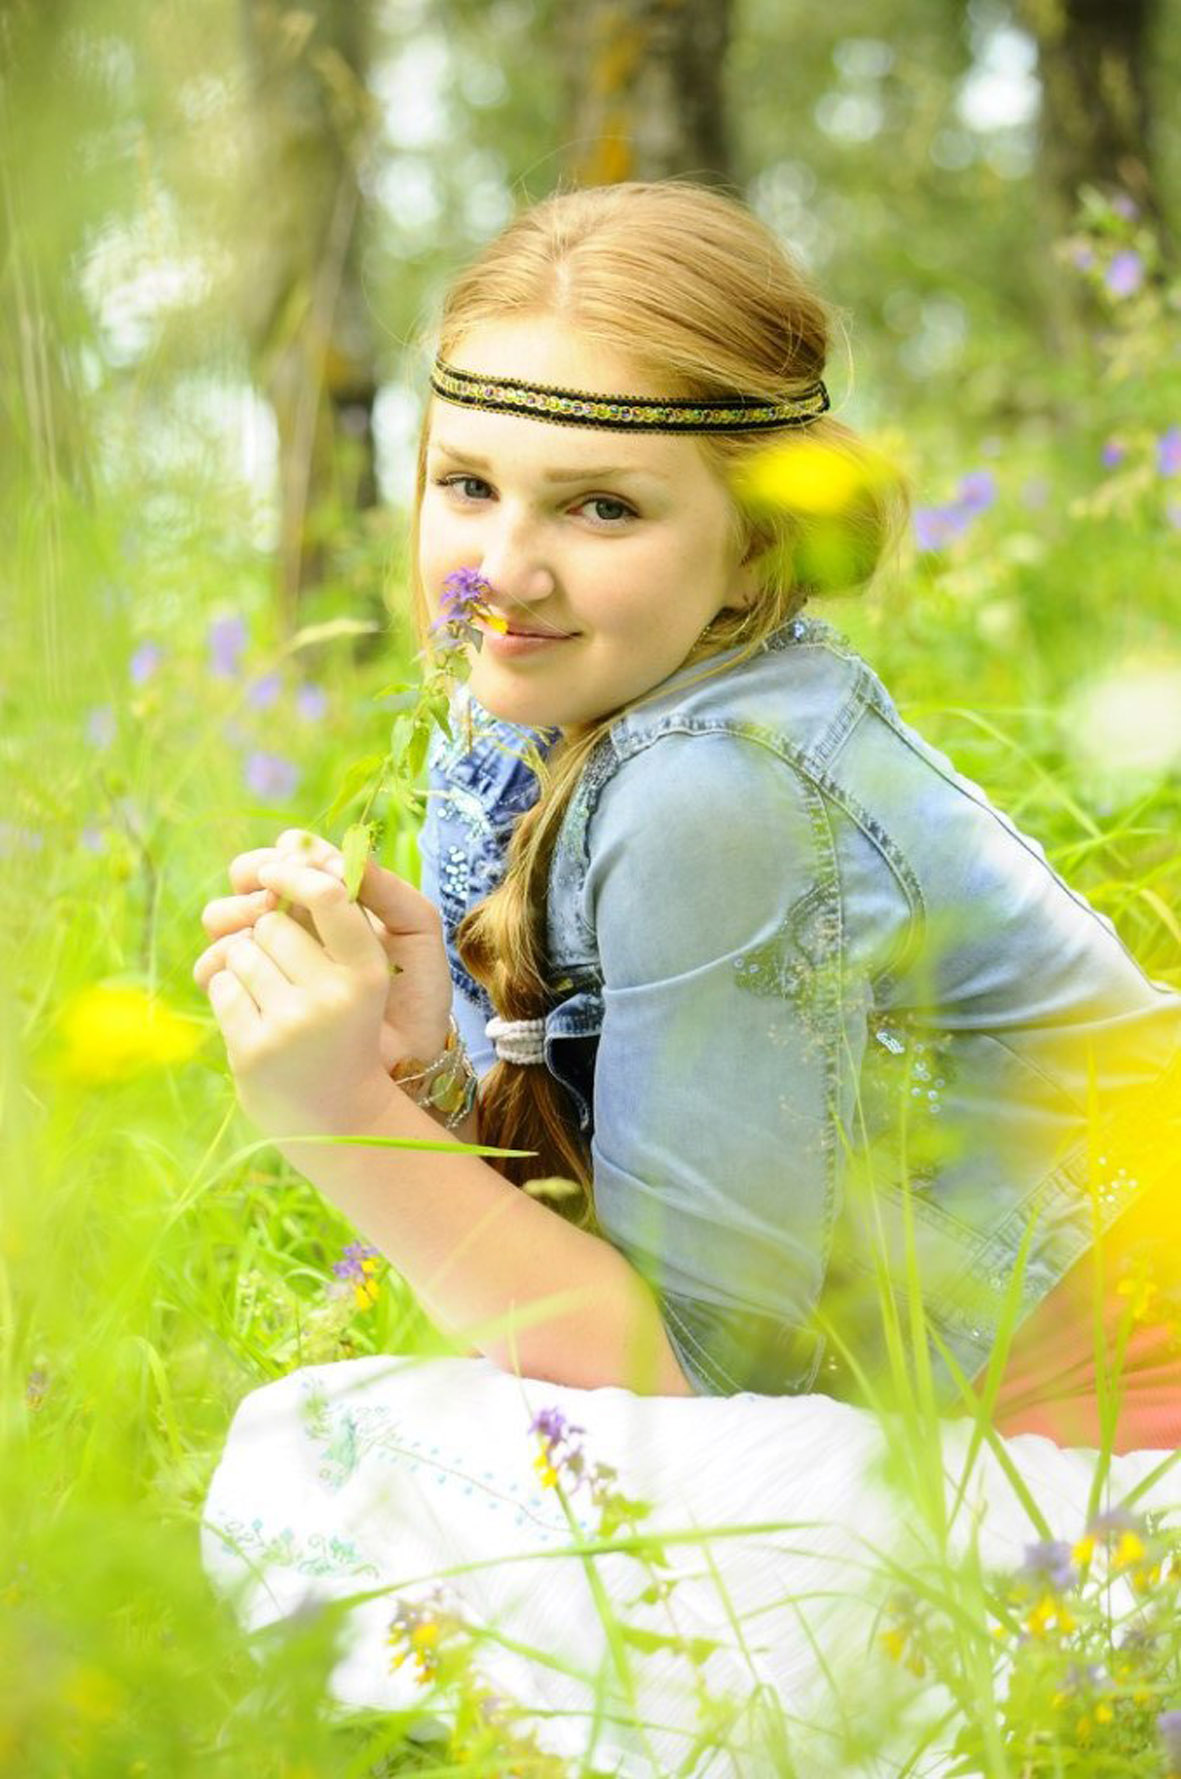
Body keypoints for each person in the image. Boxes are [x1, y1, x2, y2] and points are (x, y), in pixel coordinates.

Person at [197, 181, 1181, 1773]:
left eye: (600, 508)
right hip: (947, 1441)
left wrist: (335, 1118)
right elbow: (609, 1260)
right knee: (359, 1468)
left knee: (335, 1461)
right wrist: (427, 1068)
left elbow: (687, 1385)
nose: (502, 570)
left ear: (749, 551)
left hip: (1118, 1497)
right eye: (466, 484)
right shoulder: (516, 726)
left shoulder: (712, 794)